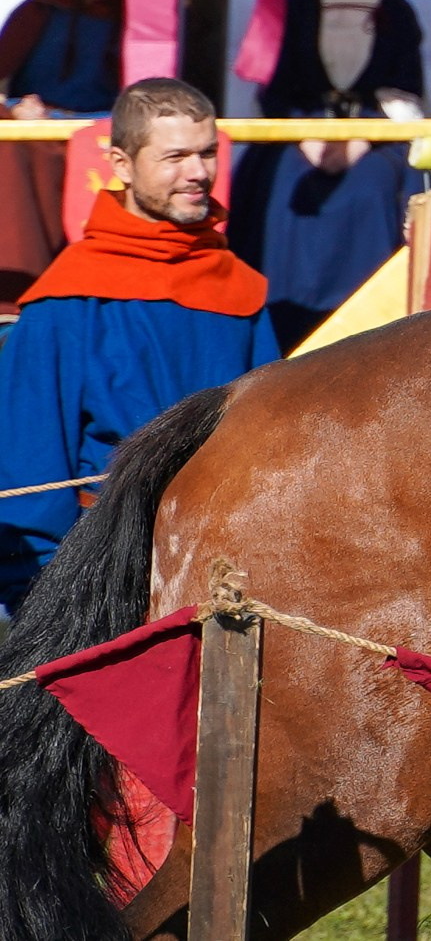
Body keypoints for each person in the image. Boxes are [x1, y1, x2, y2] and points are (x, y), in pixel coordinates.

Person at [0, 79, 277, 612]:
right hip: (102, 573)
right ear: (122, 165)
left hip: (224, 570)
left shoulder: (240, 291)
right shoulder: (67, 301)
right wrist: (44, 606)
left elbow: (269, 451)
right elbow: (29, 471)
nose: (198, 173)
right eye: (175, 157)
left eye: (207, 153)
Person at [228, 0, 428, 351]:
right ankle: (280, 317)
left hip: (372, 134)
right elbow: (274, 86)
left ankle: (366, 322)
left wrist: (360, 139)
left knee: (371, 188)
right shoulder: (300, 4)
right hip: (303, 130)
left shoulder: (396, 10)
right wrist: (307, 135)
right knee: (282, 190)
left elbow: (405, 87)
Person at [0, 0, 127, 311]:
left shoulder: (143, 21)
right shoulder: (41, 9)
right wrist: (17, 111)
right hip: (40, 136)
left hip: (107, 138)